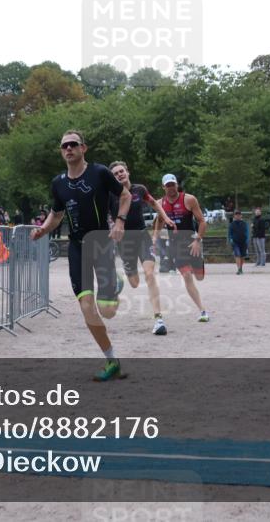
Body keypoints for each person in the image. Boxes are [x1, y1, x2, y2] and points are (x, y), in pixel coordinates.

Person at [30, 130, 130, 381]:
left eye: (74, 144)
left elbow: (125, 195)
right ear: (61, 151)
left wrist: (119, 222)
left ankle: (115, 283)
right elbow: (57, 213)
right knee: (87, 306)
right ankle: (111, 360)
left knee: (107, 311)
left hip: (101, 244)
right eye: (65, 145)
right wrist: (44, 229)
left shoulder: (99, 173)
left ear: (83, 148)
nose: (69, 148)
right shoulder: (58, 183)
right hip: (76, 248)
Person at [108, 161, 175, 336]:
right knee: (134, 283)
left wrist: (165, 218)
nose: (120, 174)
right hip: (125, 242)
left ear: (127, 172)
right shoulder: (110, 195)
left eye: (122, 171)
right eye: (115, 174)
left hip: (142, 236)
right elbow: (105, 215)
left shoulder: (139, 190)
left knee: (150, 273)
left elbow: (154, 203)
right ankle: (119, 283)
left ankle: (158, 319)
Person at [155, 173, 209, 322]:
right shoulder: (160, 203)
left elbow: (202, 221)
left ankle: (197, 266)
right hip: (176, 245)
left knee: (199, 276)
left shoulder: (189, 199)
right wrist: (154, 238)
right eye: (168, 185)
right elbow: (159, 221)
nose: (171, 188)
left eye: (173, 184)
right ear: (163, 187)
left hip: (192, 242)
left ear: (177, 185)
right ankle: (203, 310)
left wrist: (198, 239)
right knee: (186, 276)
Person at [228, 210, 250, 275]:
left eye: (239, 215)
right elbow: (229, 233)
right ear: (234, 216)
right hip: (235, 242)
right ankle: (239, 269)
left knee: (242, 256)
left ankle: (241, 268)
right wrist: (231, 239)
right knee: (237, 254)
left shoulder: (244, 223)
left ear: (241, 216)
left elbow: (247, 232)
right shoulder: (232, 224)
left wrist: (247, 239)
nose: (237, 216)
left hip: (243, 241)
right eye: (236, 215)